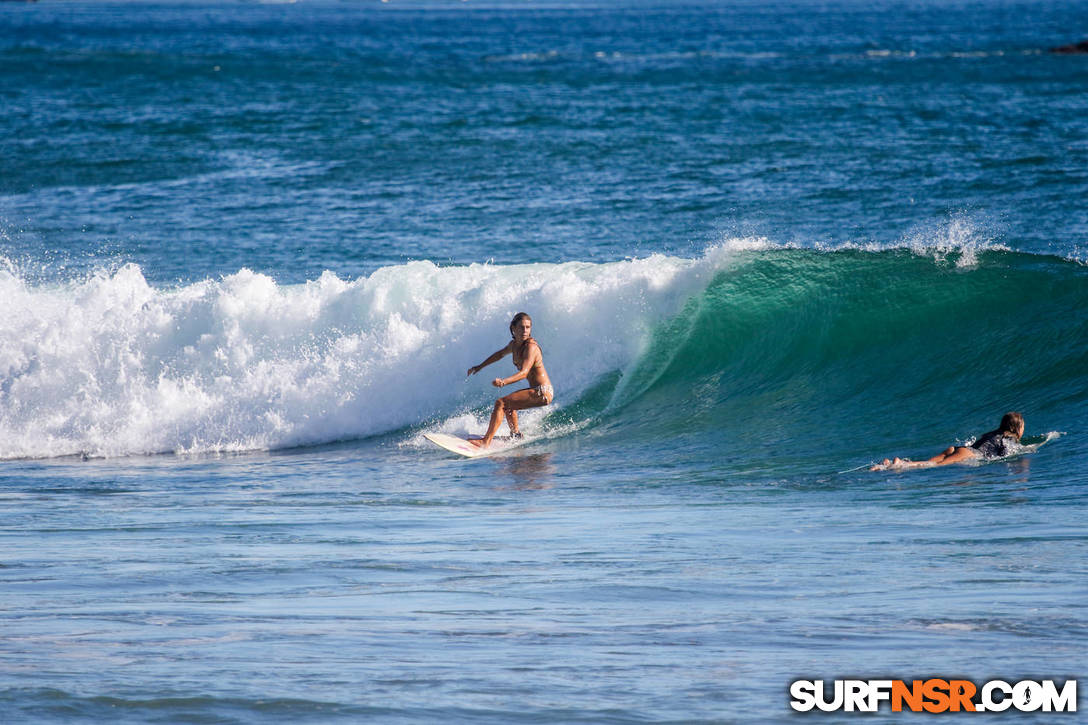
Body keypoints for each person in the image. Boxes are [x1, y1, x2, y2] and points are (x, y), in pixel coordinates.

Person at [466, 312, 554, 449]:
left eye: (528, 327)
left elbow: (524, 373)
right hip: (535, 390)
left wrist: (503, 382)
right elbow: (500, 354)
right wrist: (480, 366)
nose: (525, 330)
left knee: (501, 403)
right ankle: (516, 434)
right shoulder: (514, 345)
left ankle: (486, 441)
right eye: (521, 327)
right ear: (513, 328)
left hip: (542, 391)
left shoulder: (531, 348)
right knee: (509, 405)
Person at [871, 412, 1025, 470]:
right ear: (1017, 427)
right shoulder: (1010, 438)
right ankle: (899, 465)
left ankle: (893, 463)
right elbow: (1006, 454)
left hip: (959, 449)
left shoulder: (993, 433)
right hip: (970, 453)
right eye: (1022, 426)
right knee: (932, 466)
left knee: (928, 462)